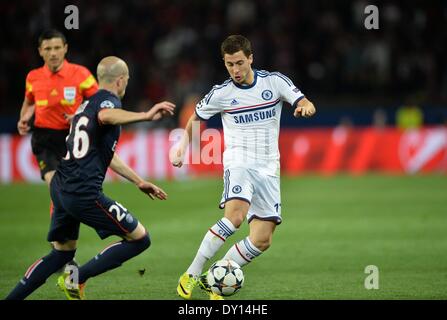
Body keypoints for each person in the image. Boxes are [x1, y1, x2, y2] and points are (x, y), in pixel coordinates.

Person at [5, 56, 175, 300]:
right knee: (140, 239)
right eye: (126, 80)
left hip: (61, 188)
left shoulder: (86, 105)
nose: (126, 84)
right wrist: (145, 116)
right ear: (120, 80)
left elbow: (108, 155)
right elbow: (107, 116)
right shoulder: (108, 102)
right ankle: (77, 278)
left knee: (61, 254)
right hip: (83, 193)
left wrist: (138, 181)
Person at [170, 35, 316, 300]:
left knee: (262, 239)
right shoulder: (222, 93)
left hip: (269, 168)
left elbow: (306, 102)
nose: (235, 70)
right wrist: (182, 147)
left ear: (250, 58)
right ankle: (191, 273)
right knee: (235, 216)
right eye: (229, 65)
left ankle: (214, 279)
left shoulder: (275, 82)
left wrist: (305, 107)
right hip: (239, 161)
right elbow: (195, 117)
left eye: (239, 63)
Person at [17, 29, 98, 185]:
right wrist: (24, 118)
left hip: (73, 136)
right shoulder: (33, 77)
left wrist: (81, 115)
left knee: (73, 188)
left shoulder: (81, 74)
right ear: (40, 51)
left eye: (57, 48)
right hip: (44, 138)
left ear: (65, 48)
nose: (53, 53)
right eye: (48, 49)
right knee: (55, 185)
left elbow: (98, 102)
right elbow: (29, 102)